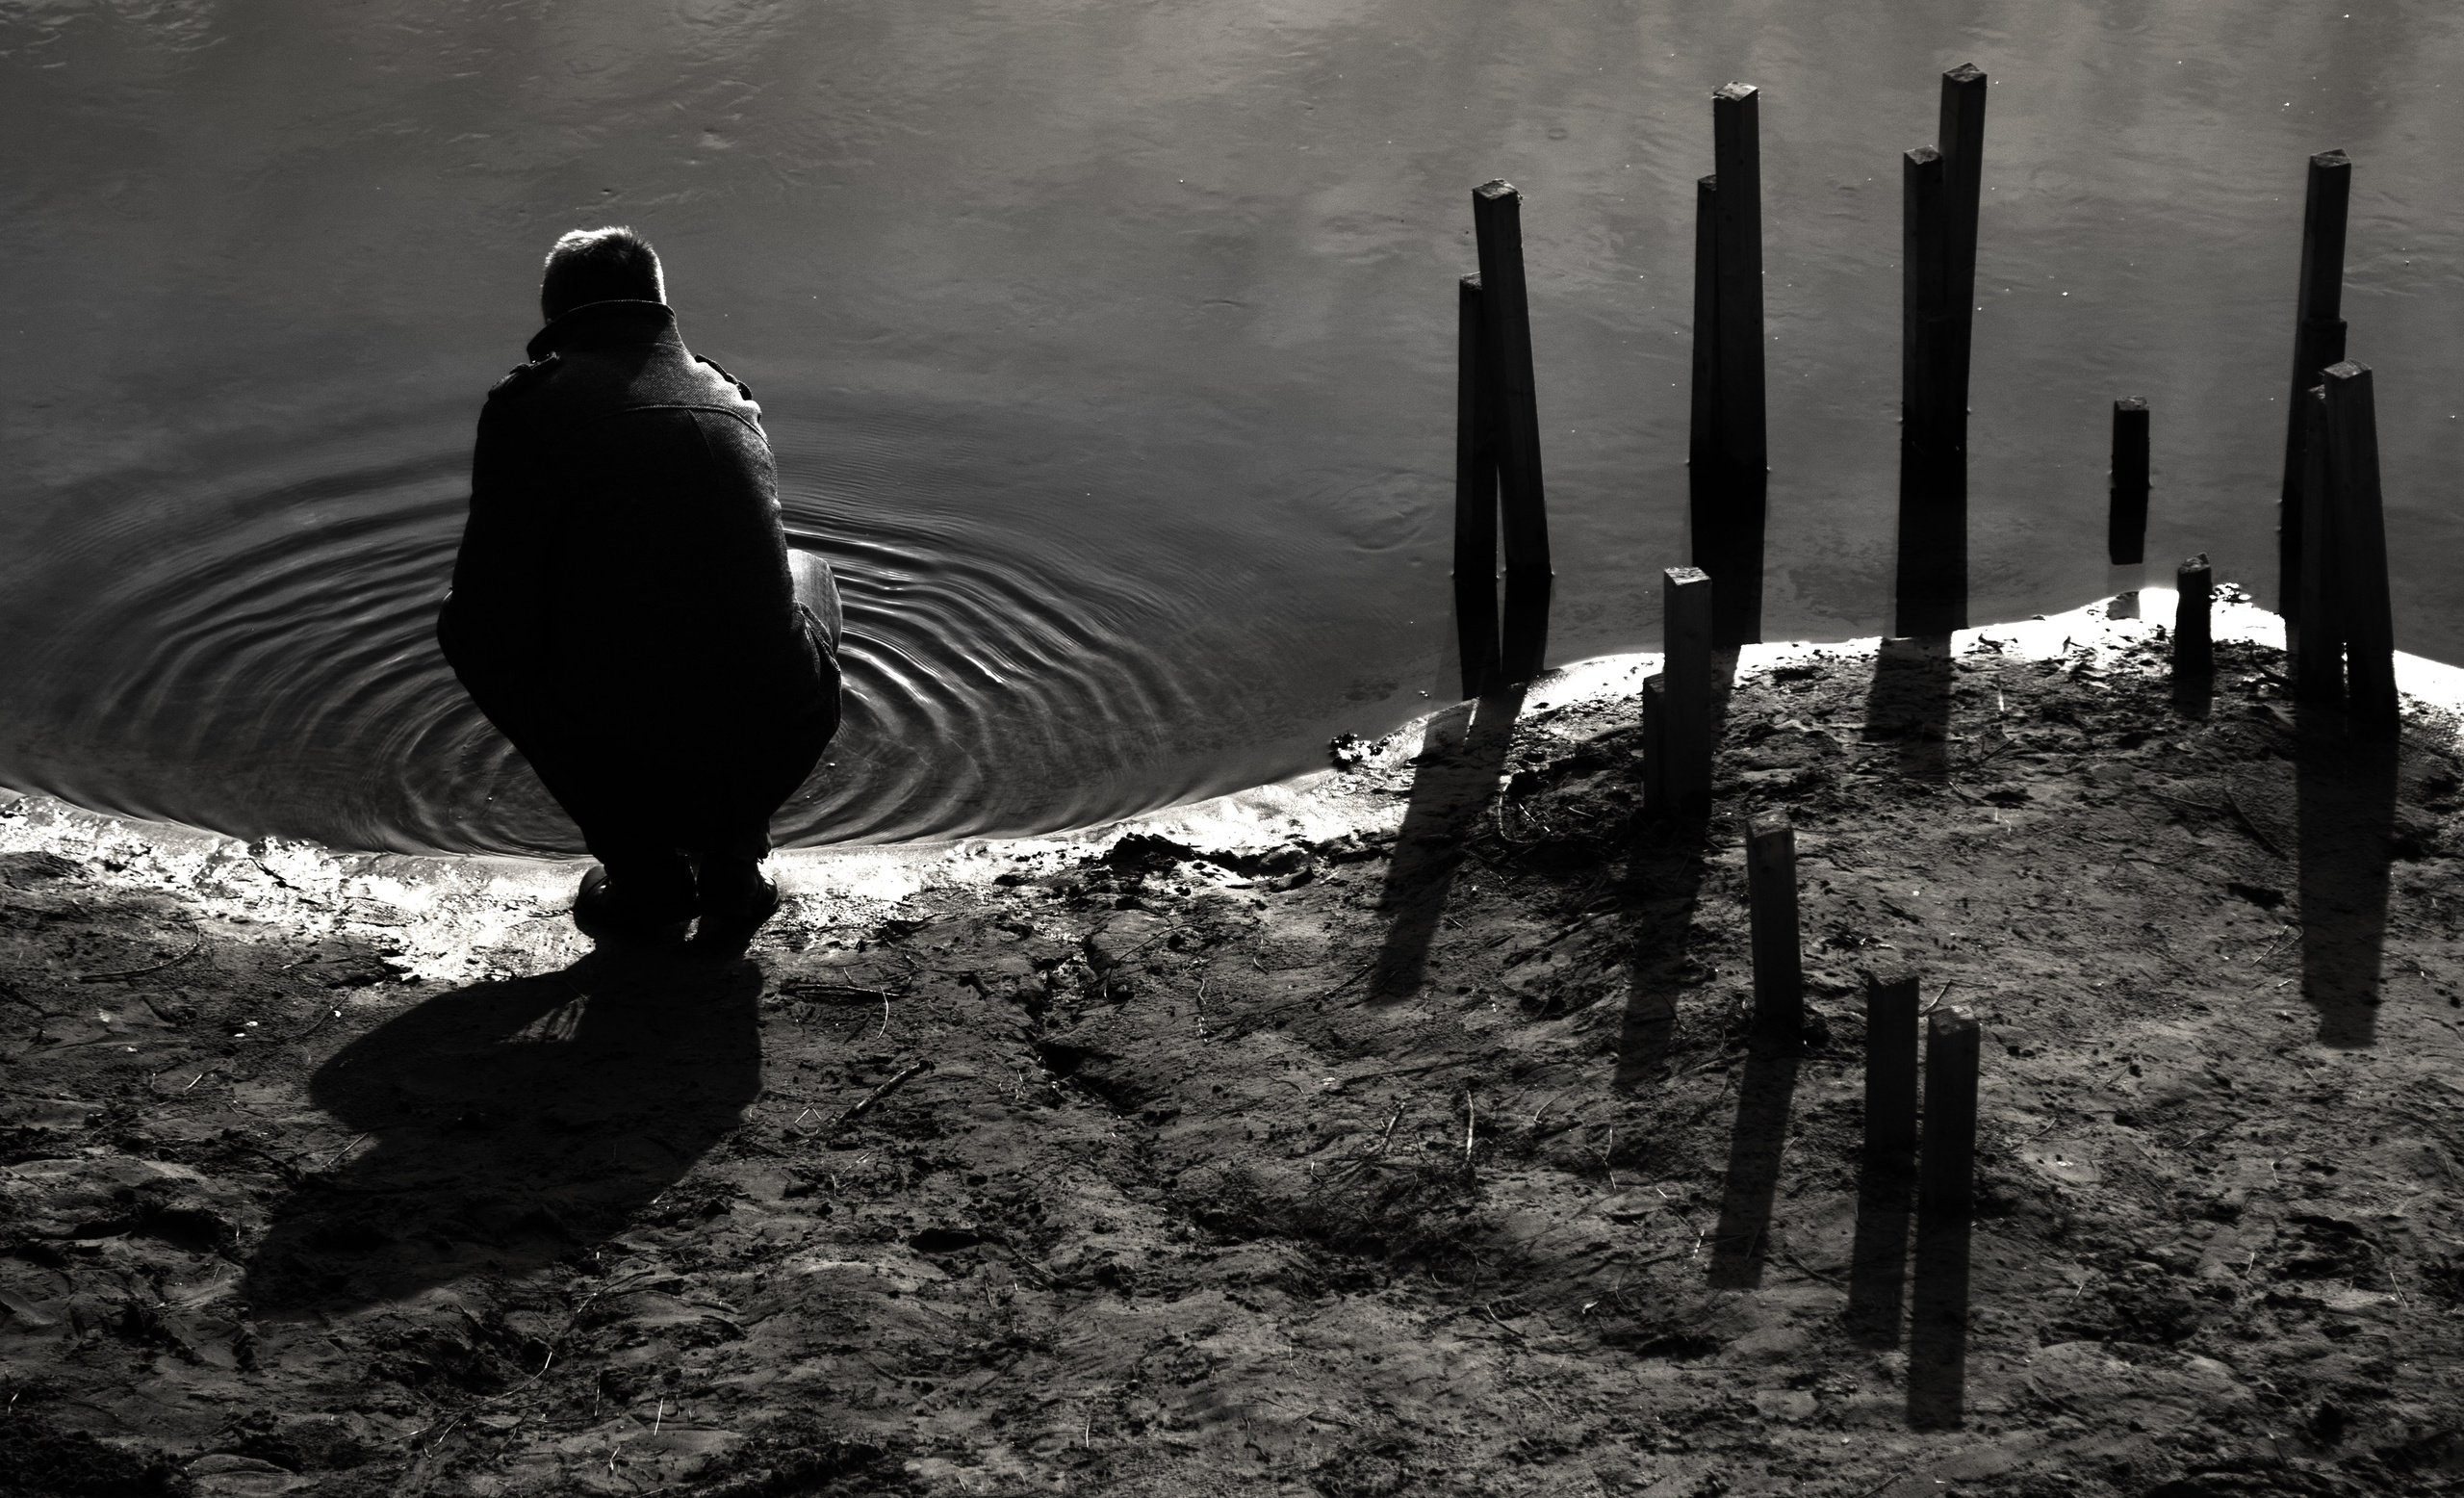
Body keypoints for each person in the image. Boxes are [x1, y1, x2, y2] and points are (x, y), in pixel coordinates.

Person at [438, 226, 841, 948]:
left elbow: (488, 611)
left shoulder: (530, 408)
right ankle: (733, 864)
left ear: (552, 313)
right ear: (660, 303)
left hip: (625, 734)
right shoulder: (729, 395)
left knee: (465, 629)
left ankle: (643, 872)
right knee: (807, 571)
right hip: (787, 723)